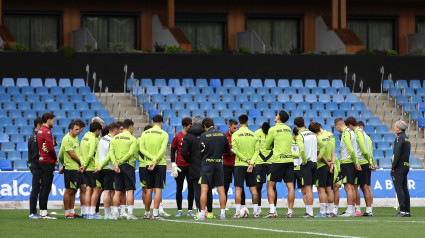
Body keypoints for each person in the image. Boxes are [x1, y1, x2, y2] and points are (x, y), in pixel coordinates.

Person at [196, 118, 230, 221]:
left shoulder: (203, 135)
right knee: (221, 190)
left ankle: (202, 214)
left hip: (207, 164)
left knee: (204, 190)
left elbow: (201, 152)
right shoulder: (222, 134)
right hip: (219, 163)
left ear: (205, 125)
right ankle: (223, 214)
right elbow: (227, 150)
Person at [181, 115, 214, 218]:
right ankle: (209, 212)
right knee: (207, 188)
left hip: (194, 165)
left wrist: (190, 160)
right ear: (201, 123)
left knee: (197, 189)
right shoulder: (206, 133)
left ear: (192, 123)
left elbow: (183, 152)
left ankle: (200, 211)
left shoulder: (188, 135)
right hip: (206, 164)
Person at [264, 110, 293, 219]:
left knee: (270, 185)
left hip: (278, 160)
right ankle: (290, 211)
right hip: (289, 160)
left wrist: (273, 145)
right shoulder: (288, 129)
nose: (275, 116)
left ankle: (272, 211)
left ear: (279, 117)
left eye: (277, 115)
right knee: (290, 186)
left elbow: (267, 146)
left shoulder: (273, 129)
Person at [140, 115, 169, 220]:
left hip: (148, 163)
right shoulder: (164, 134)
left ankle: (146, 213)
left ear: (152, 123)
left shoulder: (144, 133)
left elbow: (141, 149)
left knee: (148, 189)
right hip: (159, 163)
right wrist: (155, 160)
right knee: (158, 190)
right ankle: (155, 214)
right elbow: (162, 150)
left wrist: (151, 159)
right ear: (161, 123)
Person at [109, 119, 138, 220]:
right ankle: (129, 214)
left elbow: (111, 153)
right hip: (128, 165)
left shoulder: (114, 138)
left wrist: (115, 164)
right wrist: (121, 161)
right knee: (130, 190)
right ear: (130, 127)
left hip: (116, 166)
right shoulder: (132, 139)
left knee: (117, 191)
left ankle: (115, 214)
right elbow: (130, 153)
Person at [231, 115, 259, 218]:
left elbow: (235, 150)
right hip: (251, 165)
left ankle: (238, 213)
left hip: (239, 164)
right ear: (247, 122)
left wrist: (245, 159)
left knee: (238, 189)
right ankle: (256, 212)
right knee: (253, 189)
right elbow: (257, 151)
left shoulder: (235, 134)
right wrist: (251, 163)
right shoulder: (253, 134)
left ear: (239, 123)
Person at [345, 117, 373, 216]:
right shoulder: (364, 133)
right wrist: (370, 161)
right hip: (365, 162)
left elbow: (364, 150)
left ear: (350, 125)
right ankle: (368, 210)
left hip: (361, 162)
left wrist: (367, 159)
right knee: (365, 187)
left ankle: (363, 210)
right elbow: (369, 149)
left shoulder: (358, 133)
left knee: (360, 187)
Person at [95, 122, 121, 219]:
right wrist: (115, 163)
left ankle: (107, 214)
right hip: (109, 168)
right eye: (119, 130)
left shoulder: (101, 139)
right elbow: (111, 155)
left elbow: (97, 154)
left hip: (101, 168)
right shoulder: (112, 140)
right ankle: (111, 213)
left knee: (106, 191)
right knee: (110, 192)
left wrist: (98, 166)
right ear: (115, 130)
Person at [334, 117, 359, 217]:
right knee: (351, 187)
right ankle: (351, 210)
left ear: (338, 126)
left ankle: (349, 211)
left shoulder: (345, 133)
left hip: (347, 162)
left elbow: (351, 149)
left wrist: (355, 162)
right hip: (351, 162)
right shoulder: (352, 132)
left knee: (348, 187)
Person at [171, 118, 196, 217]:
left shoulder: (193, 137)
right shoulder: (177, 136)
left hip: (191, 166)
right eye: (190, 126)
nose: (191, 128)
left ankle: (190, 210)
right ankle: (179, 210)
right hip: (180, 166)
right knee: (179, 188)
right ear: (185, 126)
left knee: (191, 188)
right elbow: (173, 151)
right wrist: (173, 163)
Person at [294, 117, 317, 218]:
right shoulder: (313, 134)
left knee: (307, 189)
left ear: (295, 126)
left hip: (306, 164)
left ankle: (309, 212)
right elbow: (322, 146)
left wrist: (303, 160)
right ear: (304, 123)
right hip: (314, 163)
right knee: (310, 188)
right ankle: (310, 211)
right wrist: (318, 157)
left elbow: (302, 150)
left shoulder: (300, 136)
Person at [58, 122, 83, 218]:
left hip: (76, 167)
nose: (78, 131)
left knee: (74, 190)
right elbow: (71, 155)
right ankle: (67, 212)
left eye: (78, 129)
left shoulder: (75, 138)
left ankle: (72, 211)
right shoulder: (67, 139)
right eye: (76, 129)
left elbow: (61, 154)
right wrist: (64, 165)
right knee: (68, 190)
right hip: (70, 168)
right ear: (70, 130)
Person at [309, 122, 334, 218]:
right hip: (330, 164)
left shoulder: (317, 139)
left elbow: (320, 154)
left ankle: (323, 212)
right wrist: (331, 164)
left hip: (321, 165)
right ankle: (330, 212)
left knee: (321, 189)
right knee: (329, 189)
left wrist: (326, 163)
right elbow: (332, 153)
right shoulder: (327, 137)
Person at [36, 112, 58, 219]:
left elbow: (46, 146)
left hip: (41, 161)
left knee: (43, 188)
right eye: (53, 120)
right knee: (46, 188)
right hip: (47, 162)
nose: (53, 122)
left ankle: (42, 212)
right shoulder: (47, 131)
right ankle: (43, 213)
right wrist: (55, 159)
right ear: (48, 120)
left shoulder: (40, 131)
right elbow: (50, 148)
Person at [79, 122, 103, 219]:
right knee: (97, 189)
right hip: (92, 167)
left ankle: (88, 212)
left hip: (85, 167)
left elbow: (80, 152)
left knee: (88, 190)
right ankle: (93, 212)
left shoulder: (84, 137)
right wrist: (85, 165)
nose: (99, 133)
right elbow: (91, 153)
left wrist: (82, 164)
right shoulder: (93, 138)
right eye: (99, 131)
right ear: (97, 130)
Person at [253, 122, 275, 216]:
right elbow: (255, 148)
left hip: (271, 162)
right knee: (258, 186)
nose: (266, 132)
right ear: (262, 128)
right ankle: (258, 208)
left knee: (273, 186)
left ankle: (274, 209)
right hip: (259, 163)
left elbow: (275, 147)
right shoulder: (256, 133)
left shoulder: (272, 133)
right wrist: (261, 157)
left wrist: (269, 156)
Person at [223, 119, 245, 209]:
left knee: (240, 186)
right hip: (226, 164)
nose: (236, 130)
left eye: (237, 128)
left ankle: (243, 207)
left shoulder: (239, 135)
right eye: (234, 128)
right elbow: (221, 152)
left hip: (237, 164)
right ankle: (223, 207)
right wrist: (231, 151)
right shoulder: (224, 136)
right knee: (225, 187)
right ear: (229, 127)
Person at [132, 124, 153, 218]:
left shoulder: (138, 140)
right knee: (151, 189)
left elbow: (135, 153)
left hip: (142, 166)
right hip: (152, 165)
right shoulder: (153, 140)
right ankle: (152, 211)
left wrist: (141, 160)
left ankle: (146, 211)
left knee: (144, 189)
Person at [391, 120, 411, 217]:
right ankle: (407, 210)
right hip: (406, 165)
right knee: (404, 188)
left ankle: (402, 210)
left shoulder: (399, 138)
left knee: (399, 188)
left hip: (399, 166)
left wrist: (393, 167)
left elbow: (397, 154)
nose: (394, 128)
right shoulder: (406, 138)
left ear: (398, 128)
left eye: (395, 127)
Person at [357, 120, 376, 216]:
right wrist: (372, 163)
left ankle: (358, 210)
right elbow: (370, 152)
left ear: (361, 127)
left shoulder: (360, 136)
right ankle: (370, 209)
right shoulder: (368, 138)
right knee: (368, 187)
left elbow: (365, 152)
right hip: (368, 163)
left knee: (361, 187)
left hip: (362, 162)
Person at [28, 117, 44, 219]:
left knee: (39, 188)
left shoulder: (35, 136)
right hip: (36, 166)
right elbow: (35, 155)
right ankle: (32, 213)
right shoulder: (34, 137)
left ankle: (39, 212)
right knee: (35, 189)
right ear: (38, 125)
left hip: (37, 165)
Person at [74, 119, 88, 216]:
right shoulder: (71, 137)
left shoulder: (77, 138)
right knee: (73, 190)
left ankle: (83, 211)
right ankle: (70, 210)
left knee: (83, 187)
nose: (81, 131)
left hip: (79, 165)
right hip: (75, 166)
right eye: (81, 129)